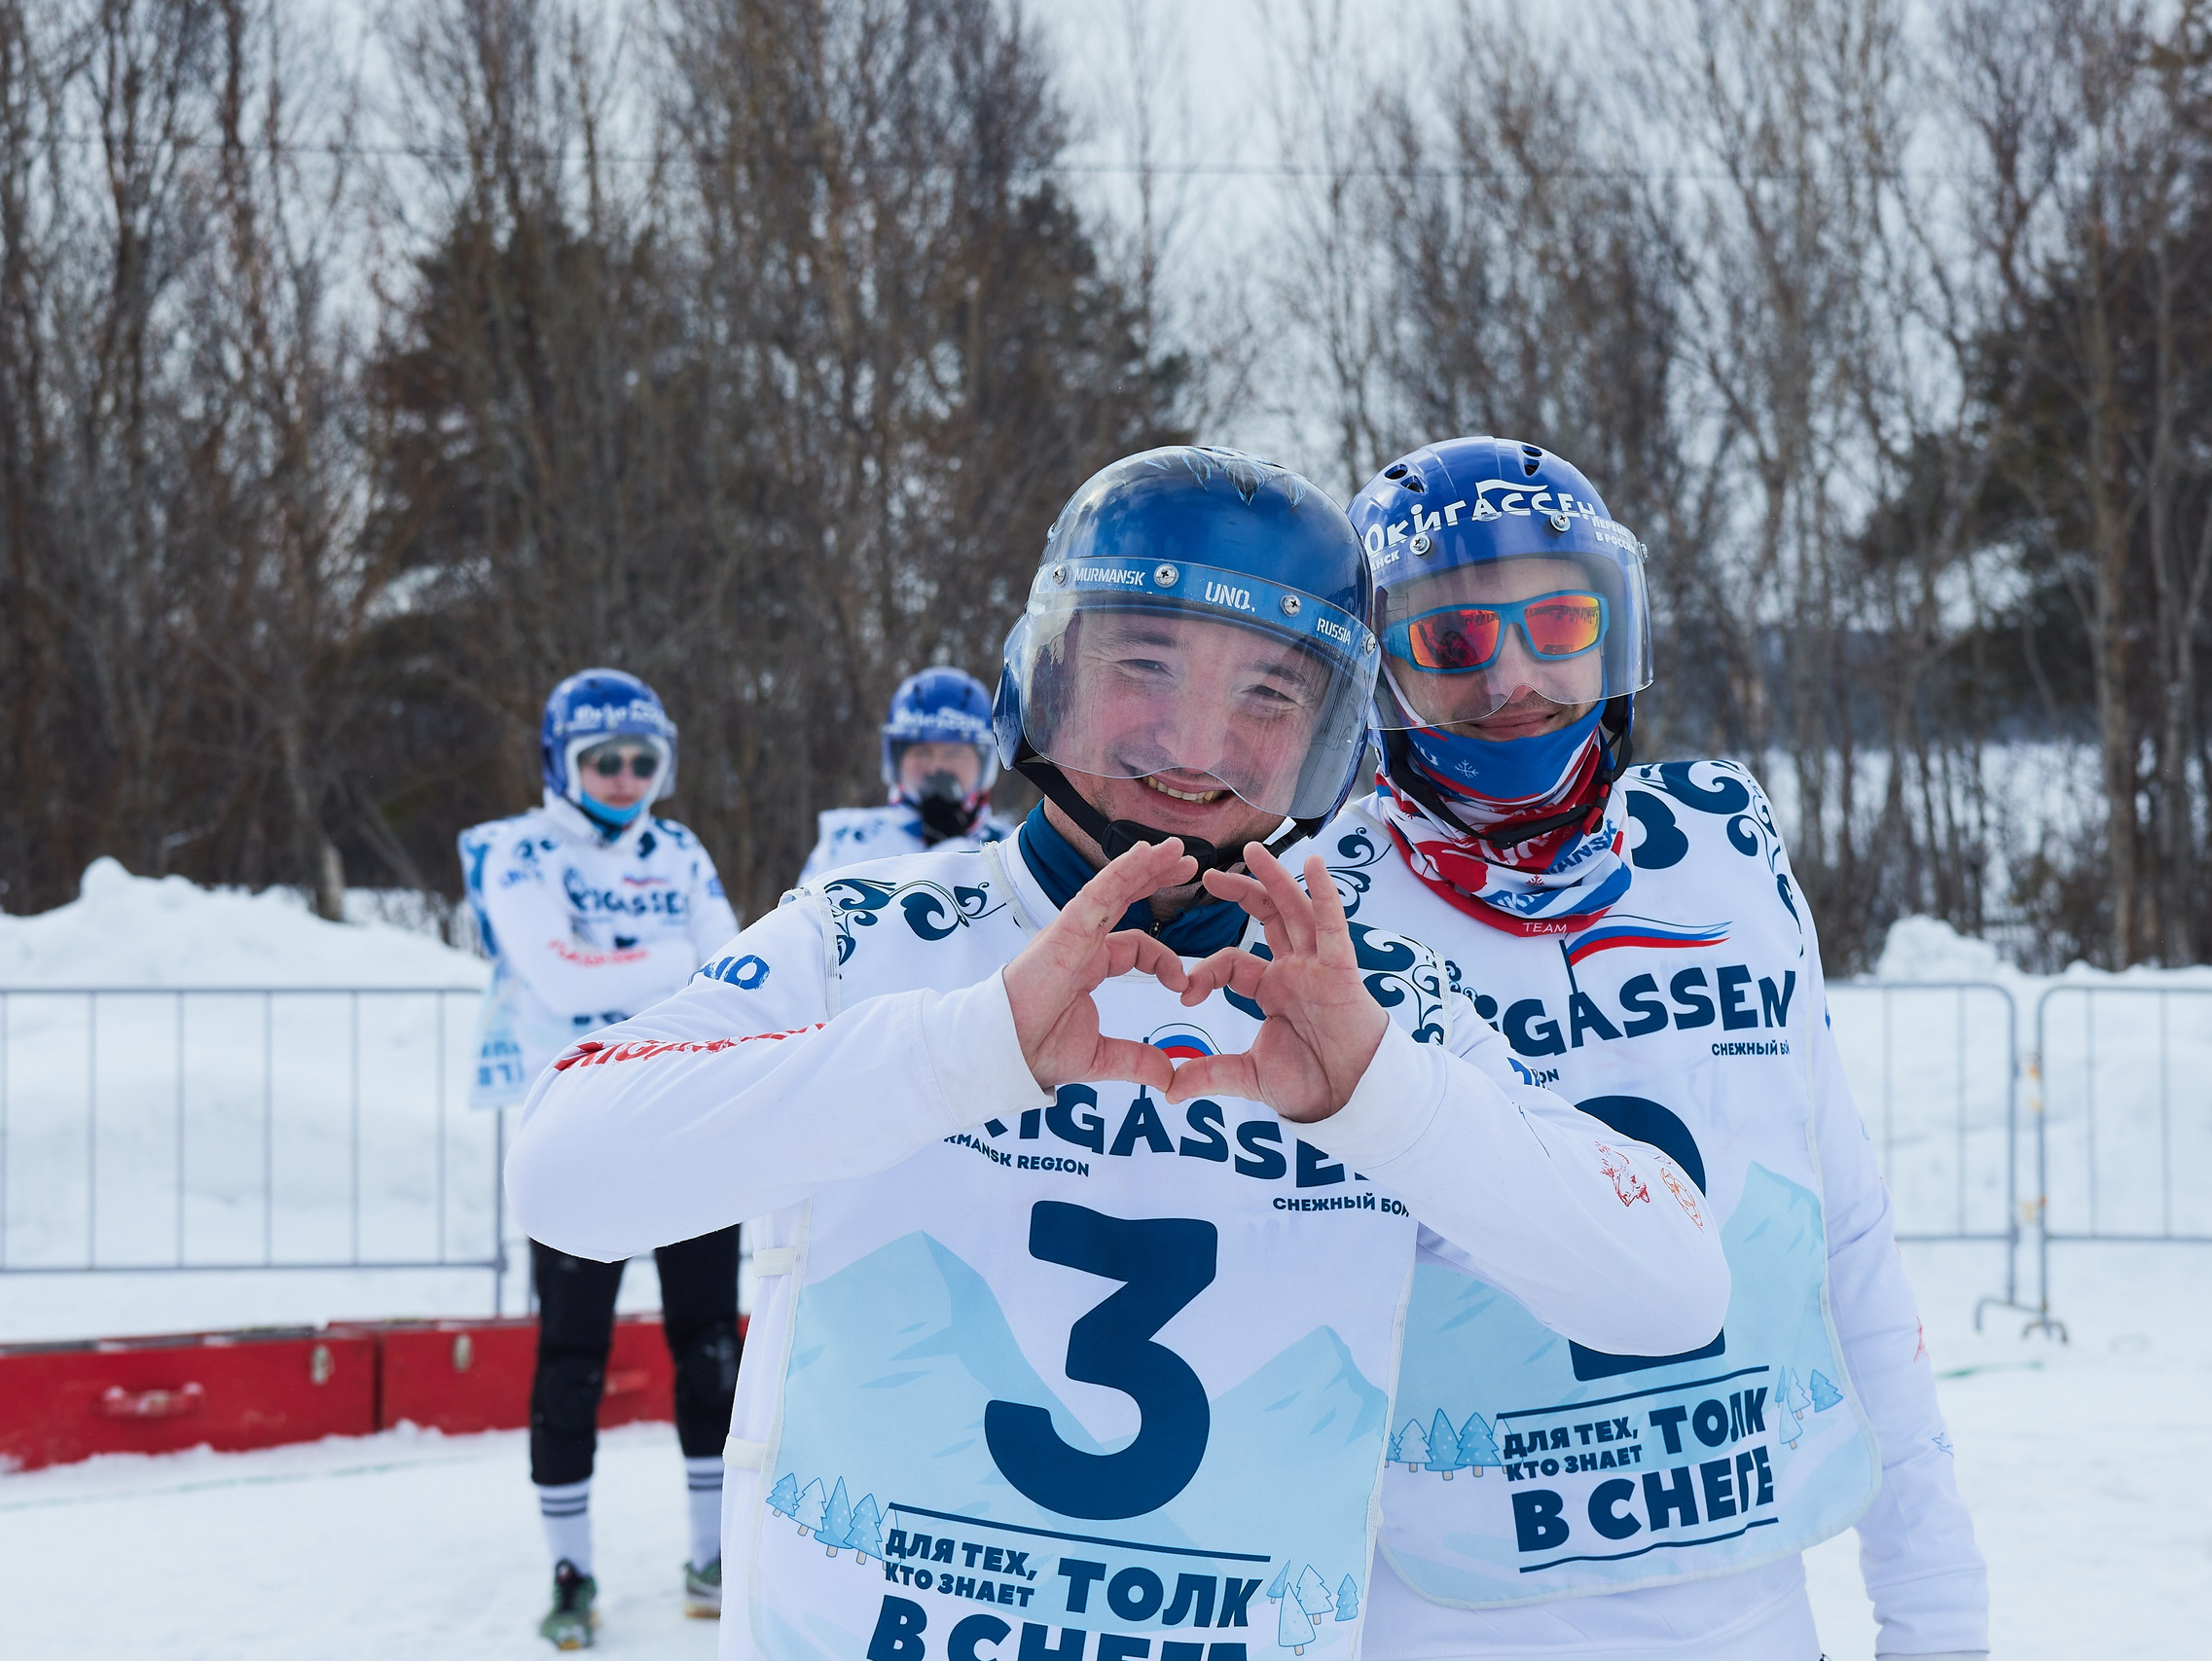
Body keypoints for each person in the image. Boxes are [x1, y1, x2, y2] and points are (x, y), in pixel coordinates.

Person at [506, 446, 1732, 1661]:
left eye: (1269, 696)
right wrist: (961, 1051)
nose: (1197, 745)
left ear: (1333, 739)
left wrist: (1384, 1100)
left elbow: (1670, 1289)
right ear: (1045, 677)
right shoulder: (874, 938)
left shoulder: (1360, 1003)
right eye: (1145, 666)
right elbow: (565, 1176)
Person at [1295, 436, 1986, 1661]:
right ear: (1376, 664)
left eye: (1556, 624)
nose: (1513, 677)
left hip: (1747, 1605)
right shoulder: (1315, 911)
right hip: (1449, 1614)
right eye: (1451, 640)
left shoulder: (1719, 853)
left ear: (1611, 632)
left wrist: (1936, 1616)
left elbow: (1846, 1238)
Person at [458, 668, 746, 1648]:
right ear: (558, 761)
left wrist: (622, 968)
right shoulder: (515, 850)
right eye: (602, 762)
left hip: (689, 1121)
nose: (624, 780)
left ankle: (710, 1552)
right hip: (579, 1129)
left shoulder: (681, 848)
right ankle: (569, 1571)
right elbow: (555, 971)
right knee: (573, 1355)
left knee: (710, 1343)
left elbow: (737, 964)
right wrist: (674, 967)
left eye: (641, 762)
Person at [797, 667, 1009, 884]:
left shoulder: (1011, 852)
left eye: (954, 753)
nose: (937, 767)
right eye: (922, 752)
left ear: (984, 762)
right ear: (897, 760)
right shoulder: (849, 845)